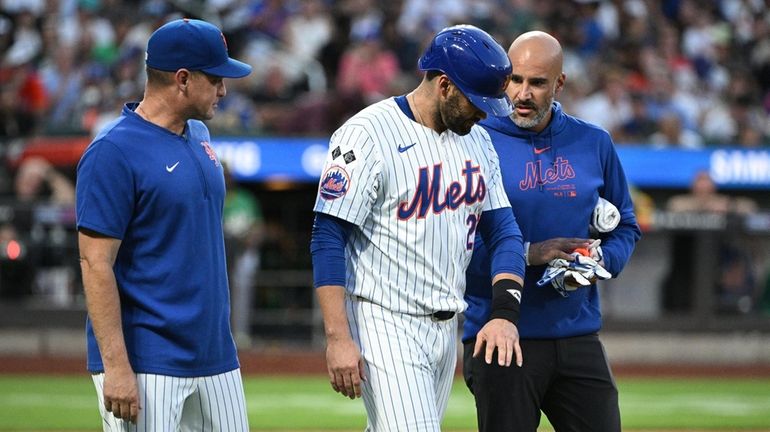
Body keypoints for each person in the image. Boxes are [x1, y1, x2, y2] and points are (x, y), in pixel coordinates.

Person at [310, 25, 526, 432]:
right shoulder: (368, 133)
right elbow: (327, 236)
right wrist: (338, 336)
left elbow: (505, 232)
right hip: (384, 319)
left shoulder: (477, 142)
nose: (482, 113)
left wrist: (504, 312)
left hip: (446, 328)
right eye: (475, 102)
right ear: (444, 85)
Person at [75, 18, 252, 430]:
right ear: (183, 79)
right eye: (216, 78)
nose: (224, 90)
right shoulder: (112, 152)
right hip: (147, 359)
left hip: (215, 355)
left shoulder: (200, 134)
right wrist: (116, 367)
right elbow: (94, 264)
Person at [462, 31, 641, 432]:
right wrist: (529, 252)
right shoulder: (473, 142)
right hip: (500, 335)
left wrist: (598, 262)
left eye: (537, 83)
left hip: (578, 335)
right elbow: (452, 243)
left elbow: (626, 226)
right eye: (515, 80)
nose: (523, 93)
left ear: (559, 84)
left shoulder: (594, 142)